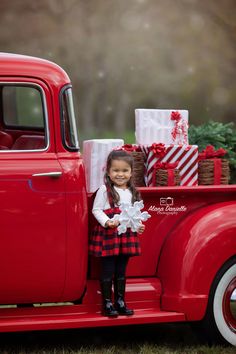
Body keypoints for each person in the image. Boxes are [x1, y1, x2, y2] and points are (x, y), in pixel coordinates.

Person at [89, 149, 145, 317]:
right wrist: (107, 221)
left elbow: (135, 213)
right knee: (108, 268)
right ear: (108, 171)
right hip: (110, 234)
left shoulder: (132, 192)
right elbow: (96, 210)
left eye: (124, 170)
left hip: (126, 235)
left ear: (130, 172)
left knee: (121, 269)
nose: (120, 174)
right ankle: (107, 303)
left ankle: (120, 301)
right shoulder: (104, 190)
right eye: (116, 170)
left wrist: (139, 226)